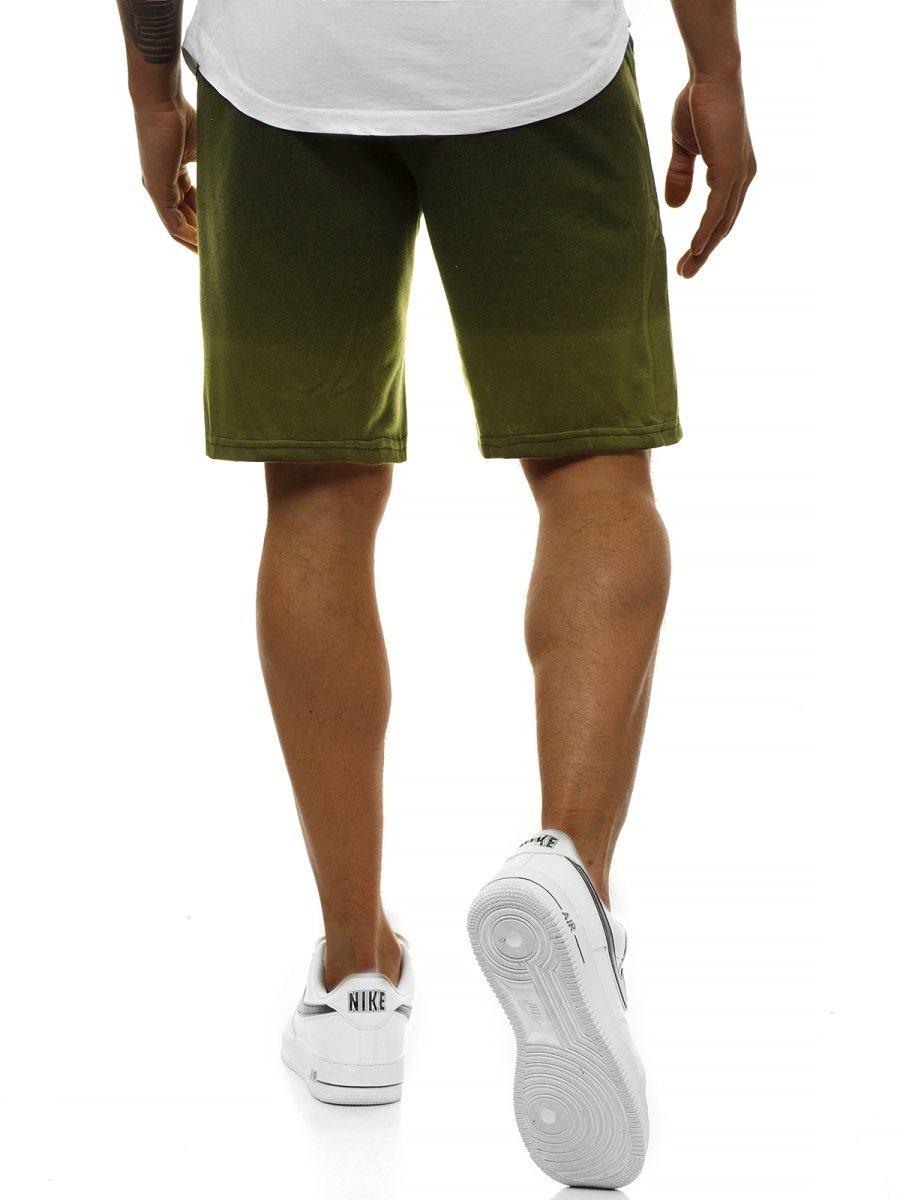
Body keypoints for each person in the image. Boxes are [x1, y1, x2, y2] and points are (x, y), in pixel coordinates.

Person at [116, 0, 755, 1188]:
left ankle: (356, 977)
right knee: (595, 475)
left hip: (287, 67)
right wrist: (715, 64)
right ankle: (569, 876)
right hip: (534, 58)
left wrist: (151, 89)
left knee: (316, 498)